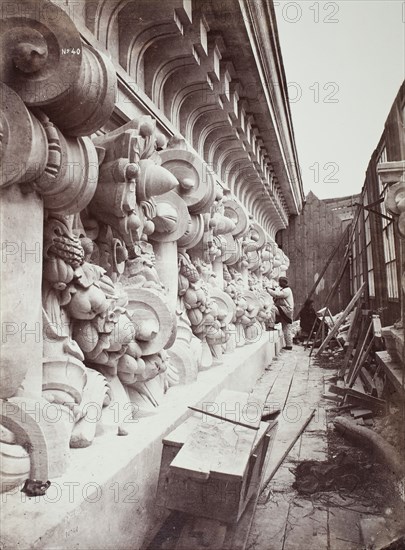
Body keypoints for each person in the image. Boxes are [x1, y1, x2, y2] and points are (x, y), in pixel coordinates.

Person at [268, 277, 294, 350]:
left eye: (280, 282)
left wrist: (268, 290)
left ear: (283, 283)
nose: (279, 284)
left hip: (286, 310)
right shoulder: (285, 290)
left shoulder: (286, 290)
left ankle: (271, 325)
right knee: (286, 327)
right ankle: (289, 345)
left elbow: (277, 295)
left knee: (272, 308)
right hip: (285, 310)